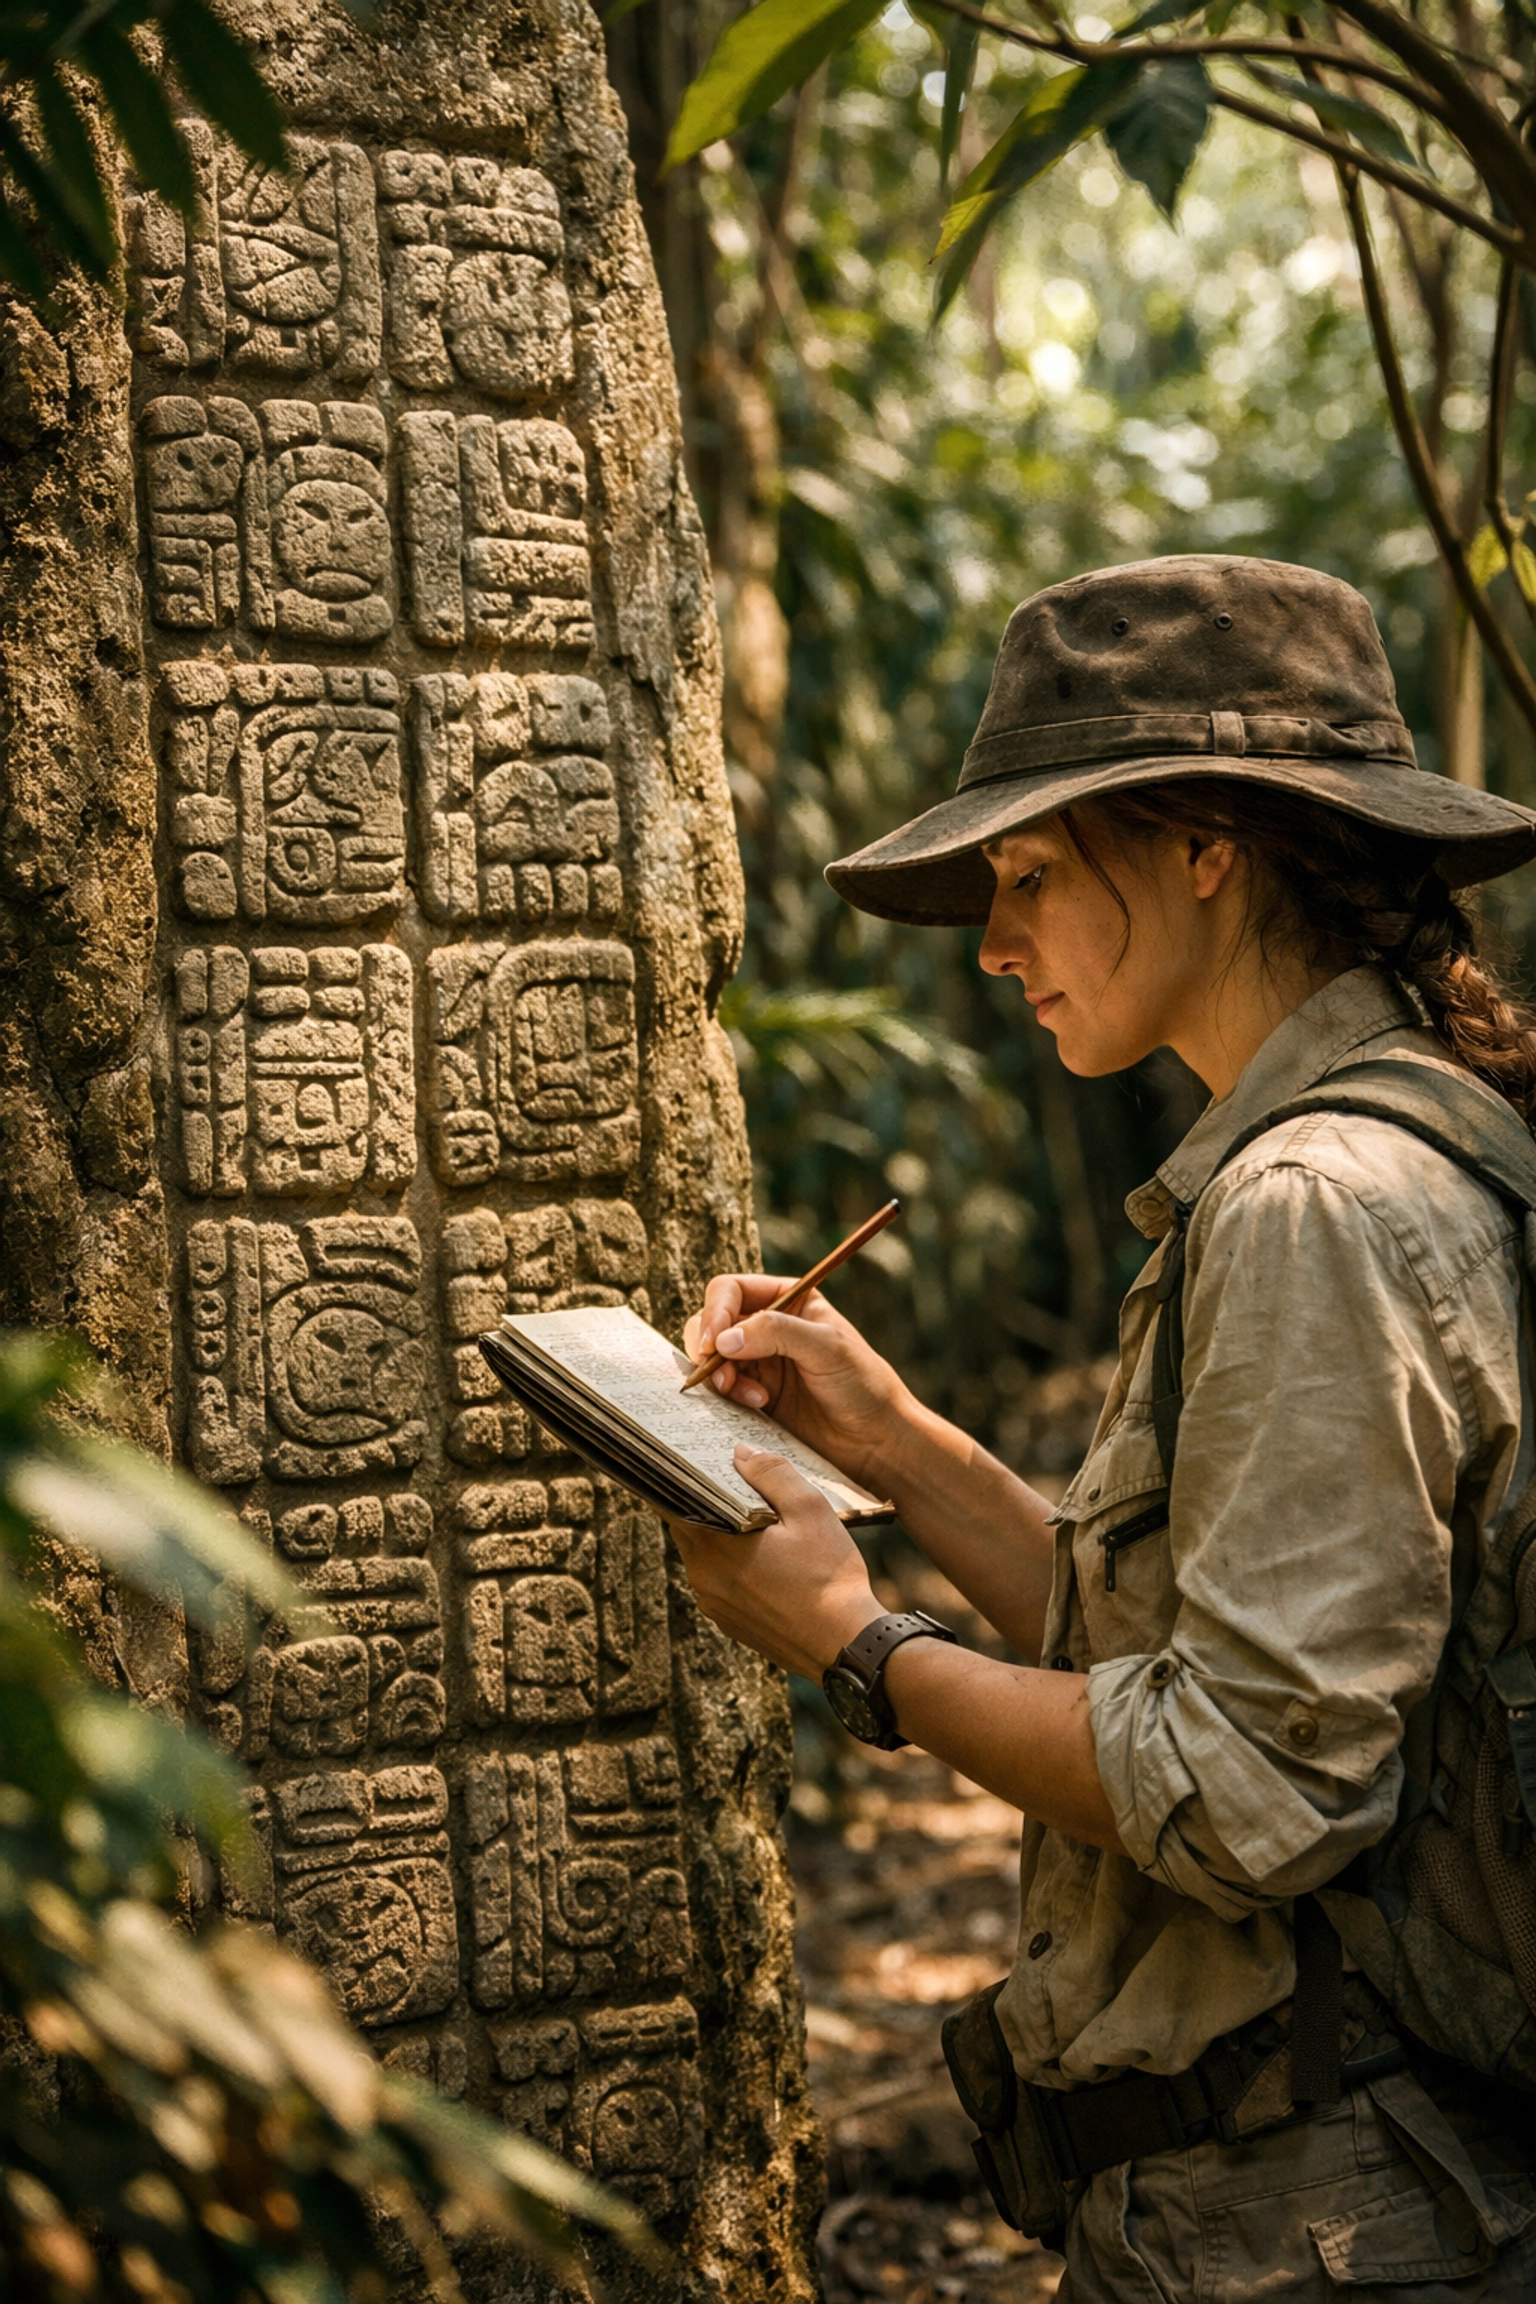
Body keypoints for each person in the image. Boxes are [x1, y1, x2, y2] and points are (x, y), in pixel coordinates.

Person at [667, 556, 1536, 2297]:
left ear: (1208, 844)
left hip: (1323, 2223)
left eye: (1034, 876)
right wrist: (897, 1440)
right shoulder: (1395, 1150)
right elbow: (1190, 1641)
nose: (995, 946)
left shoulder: (1314, 1204)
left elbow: (1250, 1783)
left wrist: (856, 1641)